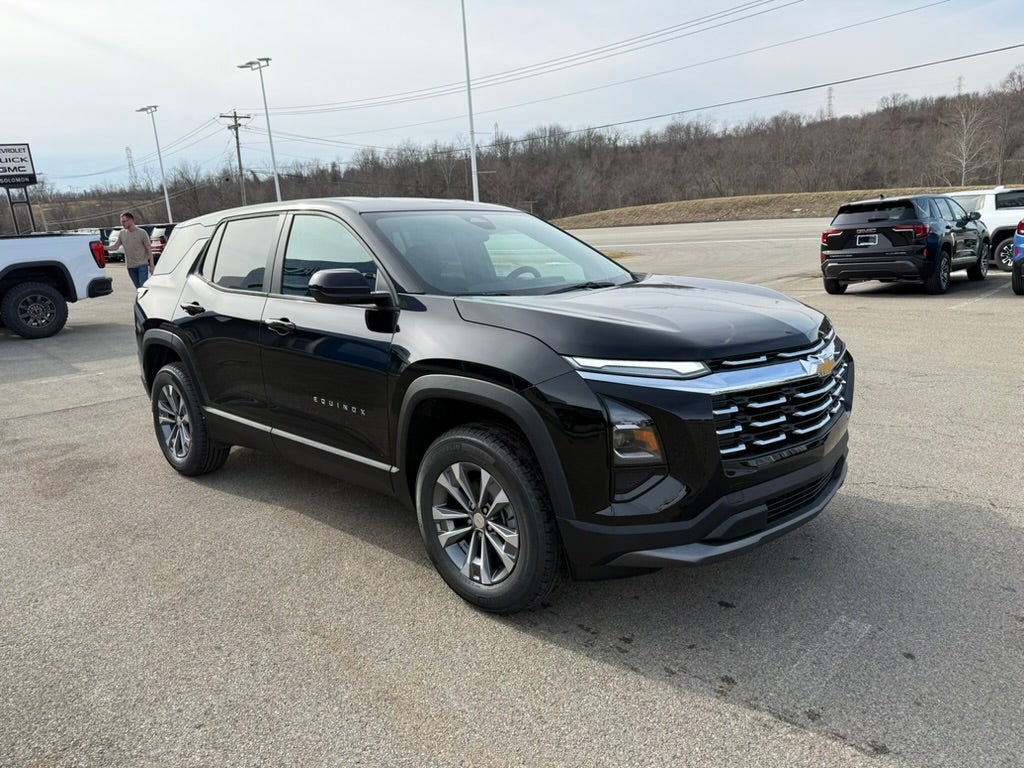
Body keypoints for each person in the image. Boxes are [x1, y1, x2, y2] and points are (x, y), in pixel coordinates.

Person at [106, 212, 153, 288]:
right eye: (122, 222)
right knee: (138, 288)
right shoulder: (122, 233)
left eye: (124, 221)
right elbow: (115, 247)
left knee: (143, 288)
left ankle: (142, 300)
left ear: (131, 220)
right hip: (130, 267)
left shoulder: (142, 232)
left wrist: (151, 265)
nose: (123, 223)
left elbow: (149, 249)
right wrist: (102, 247)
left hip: (142, 265)